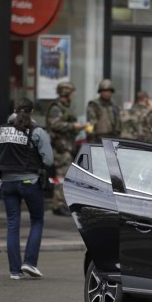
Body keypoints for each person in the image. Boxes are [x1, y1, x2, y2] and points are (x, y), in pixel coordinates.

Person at [0, 98, 53, 280]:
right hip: (30, 182)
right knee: (37, 220)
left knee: (12, 224)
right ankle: (30, 263)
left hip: (7, 184)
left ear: (15, 111)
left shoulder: (3, 130)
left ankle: (14, 271)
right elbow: (49, 160)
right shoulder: (37, 131)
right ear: (32, 112)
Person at [46, 82, 89, 216]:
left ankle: (61, 203)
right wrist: (73, 126)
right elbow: (55, 124)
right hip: (61, 147)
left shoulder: (66, 107)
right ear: (65, 93)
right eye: (71, 92)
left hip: (68, 146)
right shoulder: (56, 108)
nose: (73, 95)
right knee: (62, 175)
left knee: (65, 175)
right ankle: (58, 205)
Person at [86, 79, 121, 143]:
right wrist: (91, 138)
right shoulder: (94, 105)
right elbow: (90, 123)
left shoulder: (114, 105)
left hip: (112, 137)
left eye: (108, 91)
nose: (106, 93)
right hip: (98, 138)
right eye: (104, 91)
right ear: (100, 92)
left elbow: (118, 121)